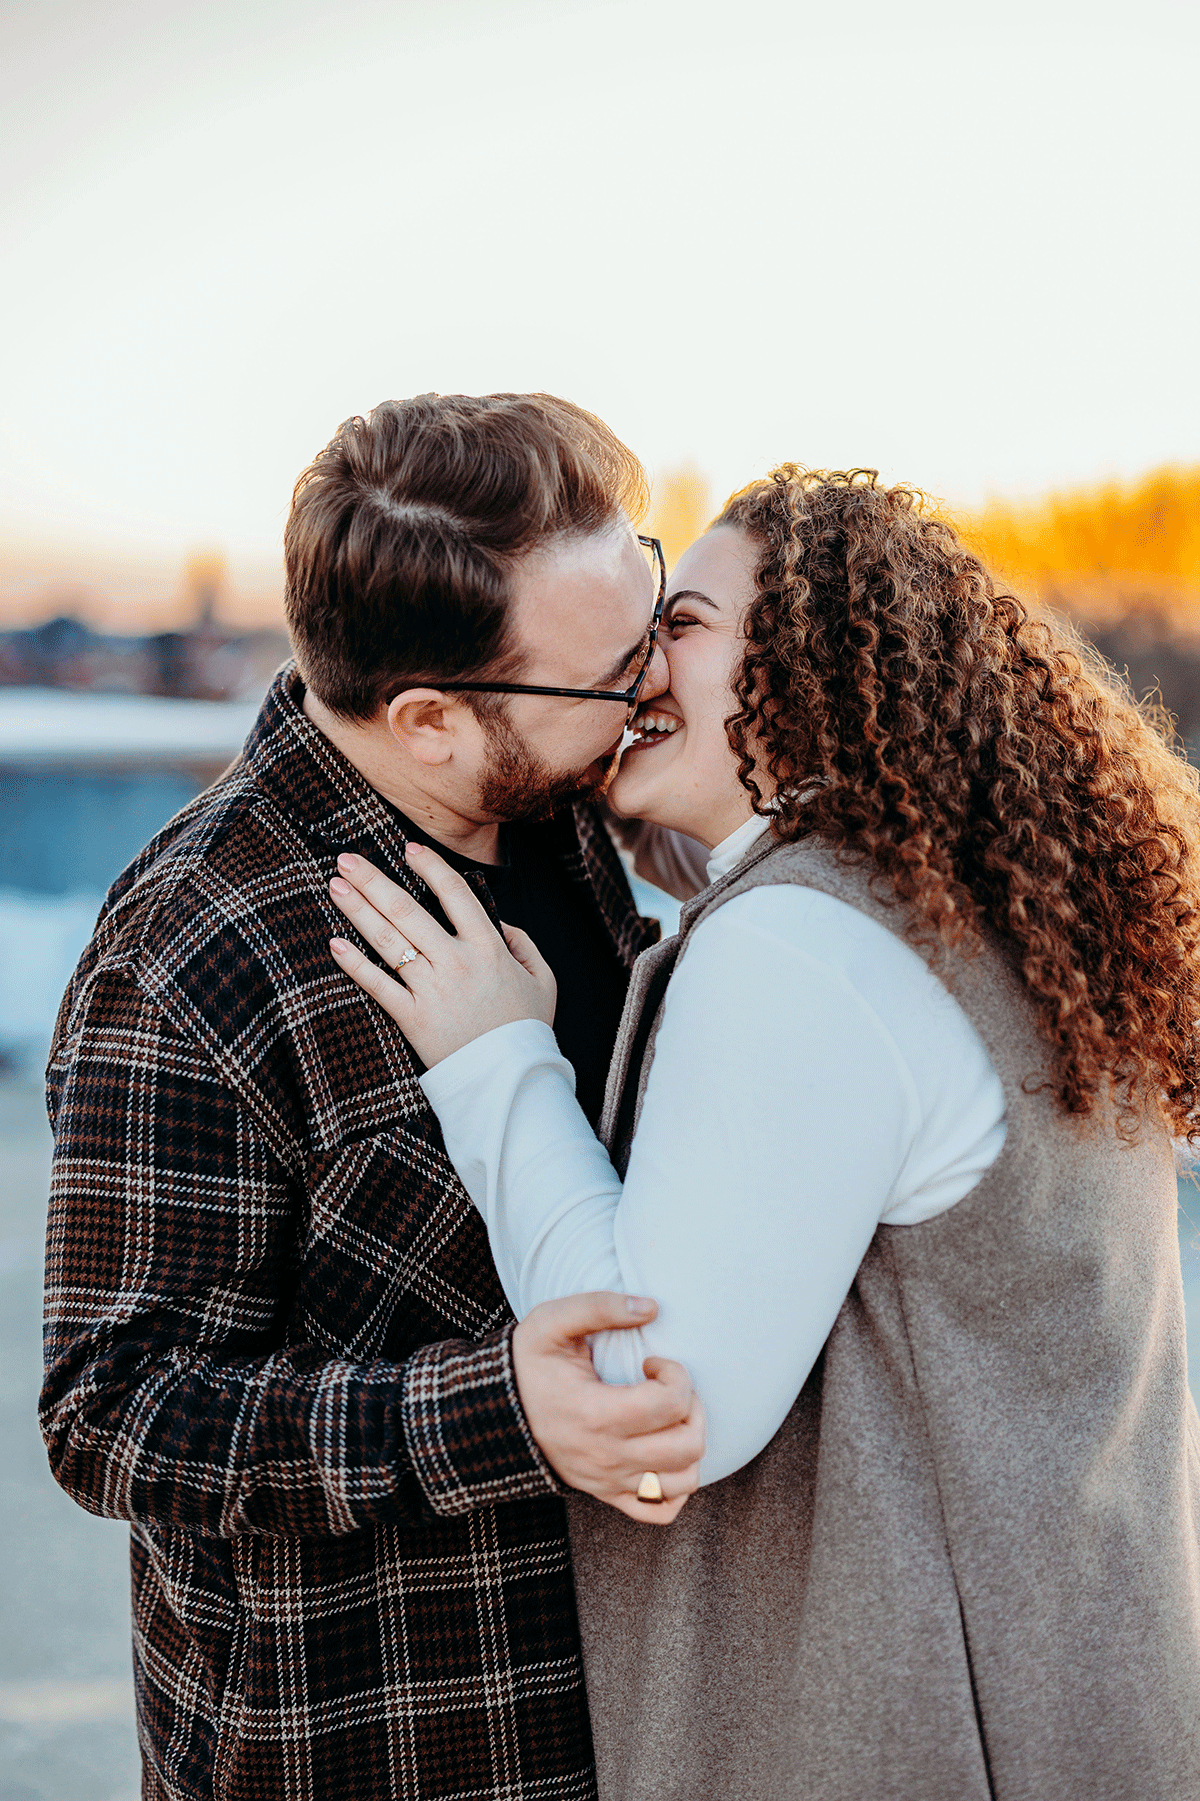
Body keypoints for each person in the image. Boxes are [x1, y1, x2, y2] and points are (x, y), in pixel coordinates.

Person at [329, 466, 1200, 1800]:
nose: (635, 670)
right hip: (1074, 1705)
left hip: (910, 1740)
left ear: (811, 666)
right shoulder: (976, 916)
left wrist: (496, 1057)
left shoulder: (806, 947)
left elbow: (654, 1402)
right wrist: (717, 857)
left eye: (680, 624)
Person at [38, 392, 706, 1801]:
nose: (651, 683)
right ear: (430, 720)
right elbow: (110, 1412)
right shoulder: (192, 959)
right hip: (377, 1736)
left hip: (633, 1707)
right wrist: (498, 1415)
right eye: (610, 673)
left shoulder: (562, 802)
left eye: (649, 600)